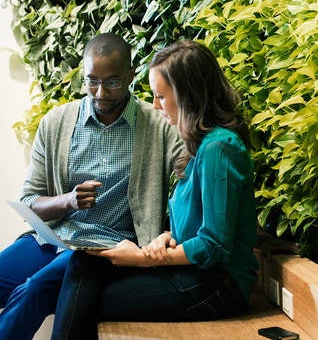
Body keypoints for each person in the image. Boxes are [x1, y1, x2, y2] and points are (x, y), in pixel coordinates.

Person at [51, 41, 258, 340]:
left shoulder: (220, 148)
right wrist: (167, 236)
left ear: (189, 96)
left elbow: (214, 244)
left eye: (161, 96)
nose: (156, 106)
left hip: (218, 284)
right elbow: (198, 222)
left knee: (84, 301)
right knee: (84, 264)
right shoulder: (200, 147)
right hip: (193, 272)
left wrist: (142, 258)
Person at [0, 33, 182, 340]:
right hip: (51, 239)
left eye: (112, 82)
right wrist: (68, 201)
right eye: (91, 81)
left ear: (130, 75)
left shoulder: (158, 126)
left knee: (32, 290)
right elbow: (30, 200)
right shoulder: (56, 122)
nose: (100, 93)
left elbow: (192, 178)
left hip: (102, 249)